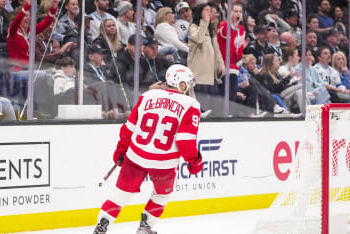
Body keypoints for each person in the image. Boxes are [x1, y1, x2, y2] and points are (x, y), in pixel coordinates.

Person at [93, 64, 203, 234]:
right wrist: (194, 161)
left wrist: (121, 150)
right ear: (181, 84)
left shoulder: (147, 96)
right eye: (188, 84)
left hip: (136, 156)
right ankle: (145, 227)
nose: (188, 88)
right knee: (161, 195)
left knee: (120, 194)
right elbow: (185, 141)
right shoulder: (191, 104)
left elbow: (129, 128)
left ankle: (102, 226)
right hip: (164, 163)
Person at [187, 3, 224, 116]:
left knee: (215, 103)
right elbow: (198, 39)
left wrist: (221, 65)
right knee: (201, 102)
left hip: (210, 72)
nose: (210, 13)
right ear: (200, 13)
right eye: (207, 10)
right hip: (199, 72)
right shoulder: (194, 27)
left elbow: (216, 50)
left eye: (210, 11)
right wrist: (204, 22)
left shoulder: (211, 30)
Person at [7, 0, 58, 70]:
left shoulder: (30, 31)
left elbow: (46, 23)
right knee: (44, 75)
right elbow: (17, 20)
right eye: (25, 16)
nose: (28, 18)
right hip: (16, 69)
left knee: (50, 72)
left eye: (29, 16)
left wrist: (54, 8)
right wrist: (28, 5)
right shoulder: (13, 31)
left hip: (29, 69)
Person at [217, 3, 245, 106]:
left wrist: (241, 67)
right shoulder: (224, 24)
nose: (238, 14)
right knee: (225, 95)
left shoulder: (241, 30)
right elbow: (224, 33)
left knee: (232, 96)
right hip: (223, 67)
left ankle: (228, 116)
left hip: (235, 69)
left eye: (240, 12)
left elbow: (240, 51)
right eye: (235, 11)